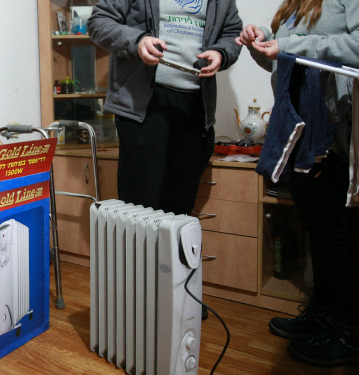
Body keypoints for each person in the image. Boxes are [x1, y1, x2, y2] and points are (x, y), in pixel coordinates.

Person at [237, 0, 359, 366]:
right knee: (317, 229)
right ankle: (323, 314)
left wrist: (291, 45)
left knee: (343, 236)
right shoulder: (292, 4)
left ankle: (349, 331)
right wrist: (263, 45)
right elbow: (284, 61)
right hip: (301, 132)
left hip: (338, 134)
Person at [88, 0, 243, 216]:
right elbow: (98, 22)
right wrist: (138, 41)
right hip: (144, 106)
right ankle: (139, 252)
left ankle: (169, 251)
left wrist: (221, 53)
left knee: (179, 210)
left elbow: (232, 32)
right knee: (139, 209)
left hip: (195, 107)